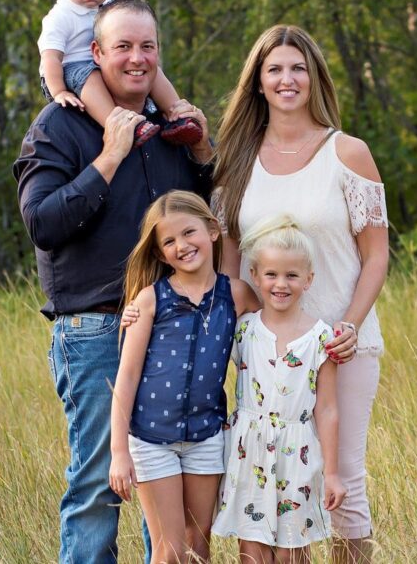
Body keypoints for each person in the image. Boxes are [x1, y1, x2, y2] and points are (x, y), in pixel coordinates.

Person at [13, 0, 213, 564]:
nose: (136, 58)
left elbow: (203, 215)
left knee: (168, 485)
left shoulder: (169, 125)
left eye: (147, 46)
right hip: (96, 331)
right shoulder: (61, 124)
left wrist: (201, 152)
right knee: (102, 483)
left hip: (174, 326)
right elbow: (43, 224)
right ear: (94, 53)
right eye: (122, 46)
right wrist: (109, 156)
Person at [212, 25, 389, 563]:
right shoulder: (236, 163)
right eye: (275, 70)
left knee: (342, 487)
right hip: (265, 353)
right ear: (258, 83)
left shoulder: (348, 153)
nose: (287, 79)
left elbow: (376, 254)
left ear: (314, 78)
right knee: (278, 487)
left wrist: (351, 326)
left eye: (297, 69)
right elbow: (231, 267)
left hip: (340, 343)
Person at [109, 191, 259, 563]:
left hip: (207, 436)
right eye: (169, 241)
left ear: (211, 230)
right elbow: (125, 379)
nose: (182, 246)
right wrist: (118, 452)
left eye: (189, 233)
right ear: (159, 253)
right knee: (170, 549)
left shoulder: (237, 295)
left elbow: (269, 340)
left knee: (198, 544)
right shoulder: (149, 300)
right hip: (151, 438)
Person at [213, 214, 347, 562]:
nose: (280, 284)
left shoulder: (321, 338)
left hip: (298, 454)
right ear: (254, 276)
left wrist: (332, 474)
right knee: (252, 551)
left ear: (308, 279)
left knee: (292, 553)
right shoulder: (243, 329)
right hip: (249, 452)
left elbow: (328, 408)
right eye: (271, 274)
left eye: (291, 275)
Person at [37, 0, 202, 146]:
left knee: (149, 67)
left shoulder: (112, 6)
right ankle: (121, 126)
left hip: (104, 62)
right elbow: (50, 58)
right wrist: (58, 91)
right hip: (68, 70)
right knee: (90, 76)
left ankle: (177, 115)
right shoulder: (59, 17)